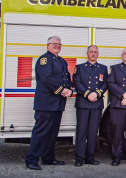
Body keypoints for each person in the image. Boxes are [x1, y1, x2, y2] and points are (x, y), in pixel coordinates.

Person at [25, 36, 73, 170]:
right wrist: (61, 90)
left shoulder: (61, 61)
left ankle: (48, 158)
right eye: (54, 44)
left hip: (58, 102)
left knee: (52, 132)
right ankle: (32, 159)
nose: (57, 46)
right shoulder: (44, 59)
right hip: (46, 102)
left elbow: (66, 78)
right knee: (41, 131)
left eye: (59, 44)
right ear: (48, 45)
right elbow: (46, 78)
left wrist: (69, 89)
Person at [73, 45, 108, 166]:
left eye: (95, 52)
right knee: (81, 131)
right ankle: (79, 158)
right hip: (83, 103)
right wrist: (88, 94)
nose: (93, 54)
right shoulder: (80, 68)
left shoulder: (103, 68)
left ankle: (90, 157)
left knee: (93, 132)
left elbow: (105, 84)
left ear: (98, 54)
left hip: (96, 104)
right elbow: (76, 83)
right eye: (91, 52)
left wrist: (96, 94)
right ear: (87, 54)